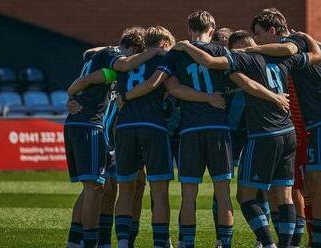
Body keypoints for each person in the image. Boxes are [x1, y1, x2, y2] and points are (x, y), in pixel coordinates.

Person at [172, 29, 321, 248]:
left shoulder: (241, 62)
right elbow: (312, 54)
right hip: (270, 130)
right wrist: (308, 39)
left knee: (250, 192)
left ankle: (268, 242)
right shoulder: (279, 59)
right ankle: (283, 243)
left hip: (260, 133)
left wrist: (185, 45)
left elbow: (212, 63)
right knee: (281, 190)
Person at [65, 27, 162, 248]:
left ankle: (87, 242)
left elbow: (89, 65)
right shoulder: (113, 56)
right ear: (134, 49)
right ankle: (88, 243)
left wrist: (71, 95)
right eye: (138, 53)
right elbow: (122, 65)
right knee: (95, 187)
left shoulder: (102, 58)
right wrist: (155, 52)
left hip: (91, 125)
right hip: (89, 124)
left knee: (101, 186)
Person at [247, 8, 321, 247]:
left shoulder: (293, 40)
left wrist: (249, 50)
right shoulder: (304, 45)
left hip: (317, 122)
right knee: (309, 184)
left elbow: (288, 49)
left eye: (258, 34)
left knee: (315, 184)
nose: (257, 40)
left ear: (272, 30)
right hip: (311, 124)